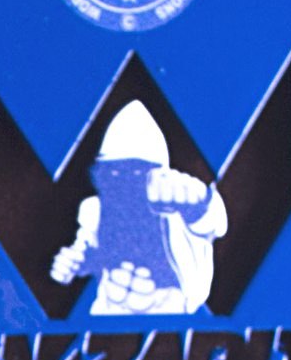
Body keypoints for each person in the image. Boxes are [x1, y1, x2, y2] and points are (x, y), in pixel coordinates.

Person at [50, 99, 227, 315]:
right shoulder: (95, 211)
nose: (124, 183)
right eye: (114, 173)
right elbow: (89, 249)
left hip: (170, 319)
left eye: (135, 172)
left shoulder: (175, 214)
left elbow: (214, 224)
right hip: (108, 315)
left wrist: (198, 198)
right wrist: (77, 262)